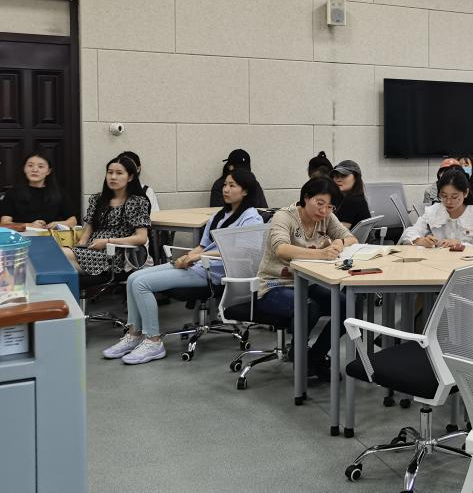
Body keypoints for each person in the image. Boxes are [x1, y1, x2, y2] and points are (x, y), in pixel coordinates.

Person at [100, 170, 265, 365]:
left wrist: (195, 257)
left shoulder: (251, 217)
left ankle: (153, 342)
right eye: (225, 185)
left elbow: (242, 253)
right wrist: (187, 257)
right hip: (199, 266)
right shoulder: (220, 215)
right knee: (133, 278)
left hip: (215, 274)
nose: (225, 189)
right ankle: (134, 334)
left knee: (141, 284)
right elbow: (203, 246)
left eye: (232, 185)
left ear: (245, 191)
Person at [256, 177, 357, 378]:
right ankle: (300, 355)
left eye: (330, 207)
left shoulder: (327, 217)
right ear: (306, 197)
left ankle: (315, 356)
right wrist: (320, 253)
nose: (324, 211)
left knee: (348, 305)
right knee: (310, 307)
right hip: (275, 285)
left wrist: (339, 243)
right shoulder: (284, 217)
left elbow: (352, 238)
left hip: (308, 282)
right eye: (319, 203)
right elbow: (281, 249)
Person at [63, 155, 150, 275]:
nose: (113, 177)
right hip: (91, 250)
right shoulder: (98, 199)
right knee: (56, 257)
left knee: (59, 256)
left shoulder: (137, 202)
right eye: (110, 172)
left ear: (130, 177)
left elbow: (141, 238)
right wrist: (80, 246)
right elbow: (87, 231)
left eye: (119, 173)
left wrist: (107, 242)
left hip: (113, 255)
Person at [400, 170, 473, 250]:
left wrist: (461, 244)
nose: (448, 201)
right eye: (444, 196)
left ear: (466, 193)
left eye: (454, 197)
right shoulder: (433, 211)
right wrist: (420, 240)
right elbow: (410, 232)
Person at [0, 152, 77, 228]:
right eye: (30, 165)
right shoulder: (12, 193)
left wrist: (58, 224)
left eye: (40, 166)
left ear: (48, 171)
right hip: (21, 235)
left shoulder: (59, 193)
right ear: (24, 168)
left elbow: (73, 221)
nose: (35, 170)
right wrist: (29, 225)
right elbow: (4, 223)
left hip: (51, 234)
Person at [331, 160, 371, 229]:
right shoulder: (358, 197)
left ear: (356, 178)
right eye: (336, 176)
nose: (338, 179)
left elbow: (338, 232)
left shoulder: (352, 201)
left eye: (344, 175)